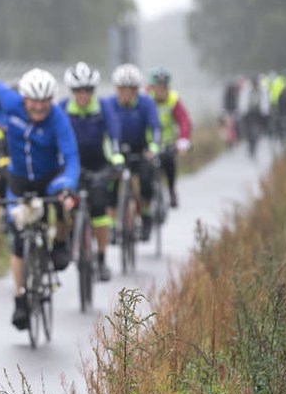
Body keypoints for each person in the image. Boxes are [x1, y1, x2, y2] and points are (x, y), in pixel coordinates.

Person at [0, 68, 79, 331]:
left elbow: (72, 158)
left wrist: (67, 186)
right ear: (24, 98)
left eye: (45, 101)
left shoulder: (58, 120)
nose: (39, 107)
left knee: (63, 204)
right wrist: (0, 117)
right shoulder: (12, 104)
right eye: (34, 101)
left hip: (50, 178)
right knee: (19, 239)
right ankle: (20, 299)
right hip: (18, 179)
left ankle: (61, 243)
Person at [60, 61, 121, 281]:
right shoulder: (63, 108)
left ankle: (102, 259)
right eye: (78, 90)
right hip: (72, 165)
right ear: (72, 91)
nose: (83, 95)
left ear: (93, 91)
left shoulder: (104, 107)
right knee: (65, 204)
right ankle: (68, 238)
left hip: (98, 164)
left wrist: (116, 158)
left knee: (99, 211)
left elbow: (114, 134)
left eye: (88, 90)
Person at [104, 63, 161, 241]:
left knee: (146, 179)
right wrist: (112, 154)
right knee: (110, 182)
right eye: (123, 89)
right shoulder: (109, 104)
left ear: (137, 89)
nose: (127, 93)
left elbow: (155, 127)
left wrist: (153, 147)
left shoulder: (146, 103)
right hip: (116, 150)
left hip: (141, 150)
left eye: (131, 89)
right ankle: (112, 225)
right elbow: (105, 132)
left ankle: (145, 216)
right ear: (117, 88)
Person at [147, 67, 192, 208]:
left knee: (169, 165)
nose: (161, 90)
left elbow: (184, 120)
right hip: (148, 144)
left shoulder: (173, 100)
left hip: (167, 142)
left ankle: (171, 190)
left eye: (164, 87)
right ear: (152, 87)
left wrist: (183, 140)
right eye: (158, 87)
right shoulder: (146, 99)